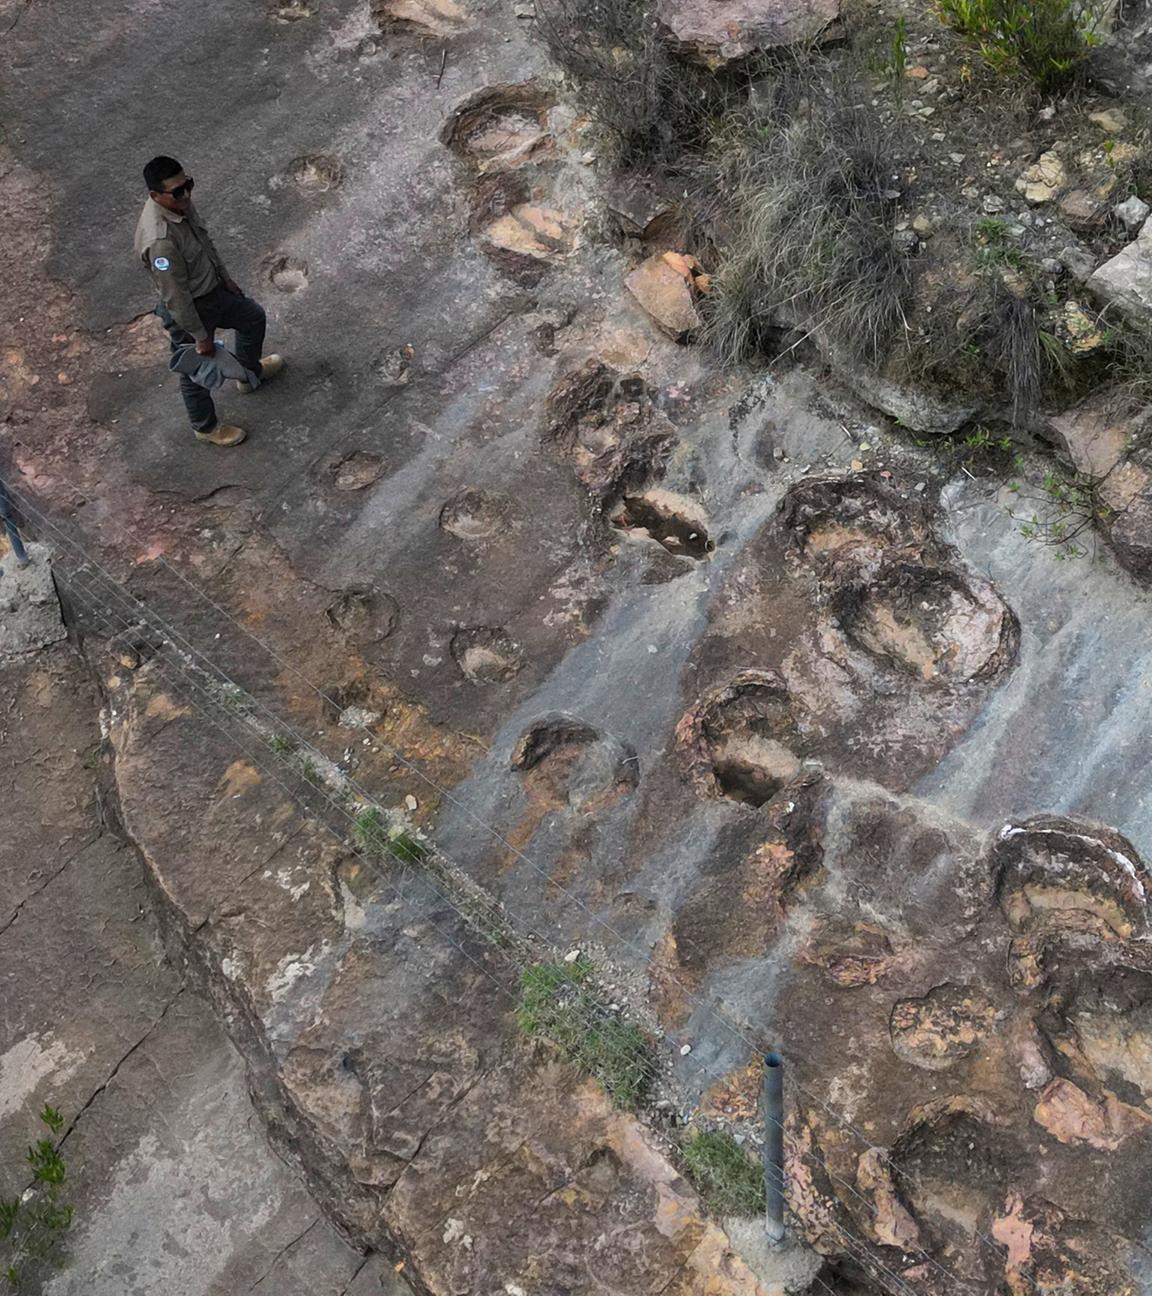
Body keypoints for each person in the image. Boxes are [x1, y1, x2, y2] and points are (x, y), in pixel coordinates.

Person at [134, 156, 284, 447]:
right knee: (196, 371)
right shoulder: (160, 241)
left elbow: (204, 243)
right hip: (190, 310)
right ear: (155, 196)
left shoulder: (180, 206)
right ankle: (205, 427)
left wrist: (225, 277)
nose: (186, 194)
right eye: (177, 191)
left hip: (214, 290)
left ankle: (248, 373)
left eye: (187, 185)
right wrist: (199, 336)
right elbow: (174, 297)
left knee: (252, 317)